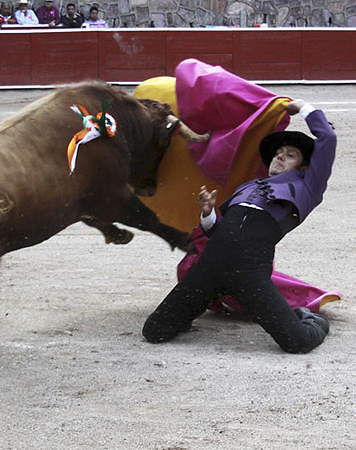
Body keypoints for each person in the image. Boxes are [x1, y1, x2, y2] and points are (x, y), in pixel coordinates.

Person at [142, 98, 337, 354]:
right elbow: (216, 231)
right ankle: (187, 312)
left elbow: (328, 138)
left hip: (250, 271)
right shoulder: (247, 187)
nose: (280, 156)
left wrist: (303, 108)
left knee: (297, 341)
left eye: (290, 155)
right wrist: (208, 213)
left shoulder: (308, 186)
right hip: (210, 266)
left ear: (304, 166)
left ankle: (312, 320)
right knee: (155, 331)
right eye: (278, 153)